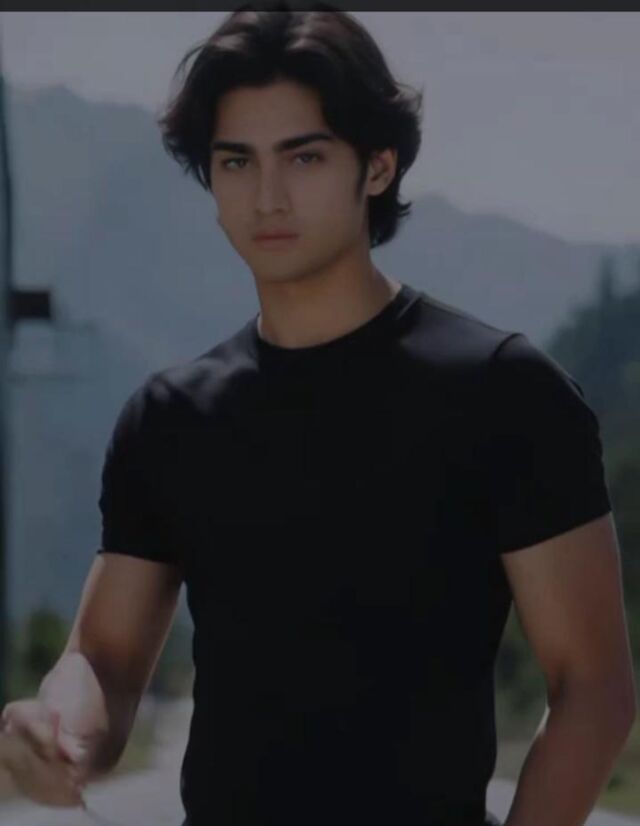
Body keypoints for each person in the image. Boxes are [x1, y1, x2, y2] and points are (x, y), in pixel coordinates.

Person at [0, 4, 636, 826]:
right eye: (236, 161)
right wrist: (58, 727)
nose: (267, 196)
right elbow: (106, 661)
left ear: (377, 166)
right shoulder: (170, 419)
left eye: (303, 156)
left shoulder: (504, 393)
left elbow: (594, 689)